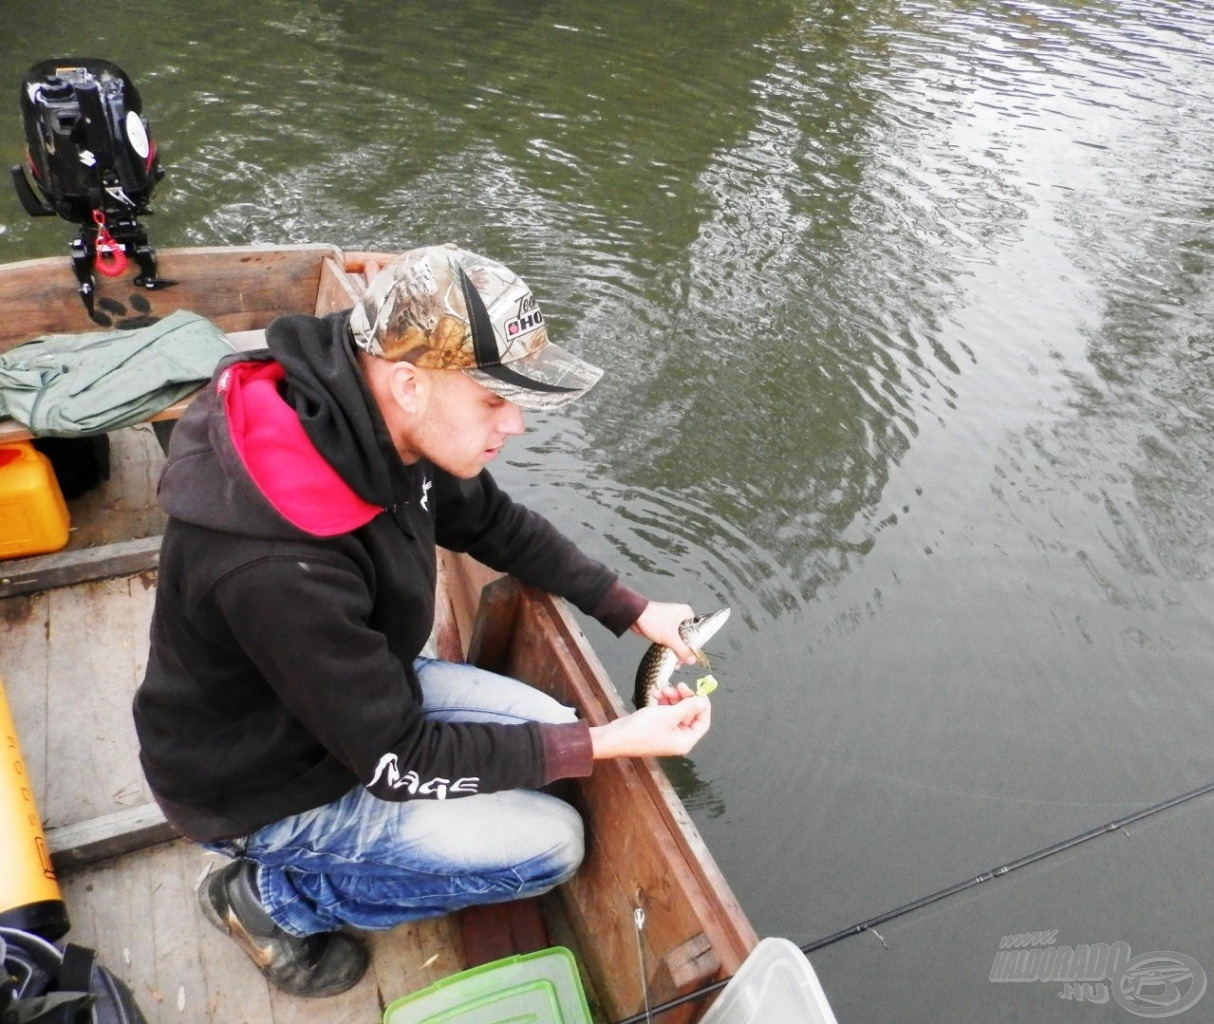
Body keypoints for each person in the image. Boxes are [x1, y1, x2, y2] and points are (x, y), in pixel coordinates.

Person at [132, 243, 712, 998]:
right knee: (552, 846)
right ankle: (269, 897)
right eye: (494, 402)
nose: (516, 427)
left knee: (559, 735)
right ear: (408, 383)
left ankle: (303, 875)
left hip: (350, 705)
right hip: (258, 781)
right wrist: (607, 741)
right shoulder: (273, 564)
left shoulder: (383, 422)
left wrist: (631, 611)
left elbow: (495, 524)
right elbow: (399, 758)